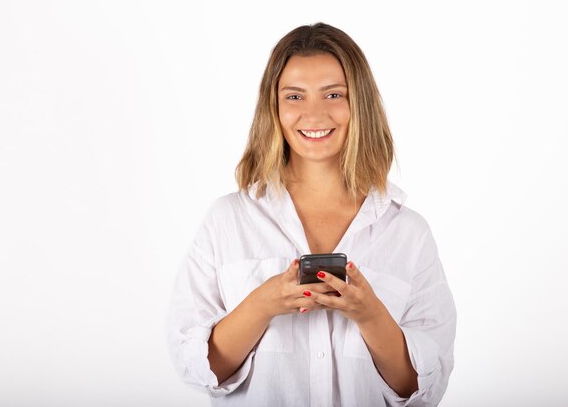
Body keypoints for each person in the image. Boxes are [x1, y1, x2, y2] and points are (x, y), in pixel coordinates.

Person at [166, 22, 457, 407]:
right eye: (295, 96)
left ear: (359, 105)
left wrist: (370, 315)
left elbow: (420, 390)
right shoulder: (227, 221)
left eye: (334, 94)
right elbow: (199, 369)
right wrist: (263, 303)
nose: (314, 114)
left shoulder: (408, 233)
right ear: (274, 107)